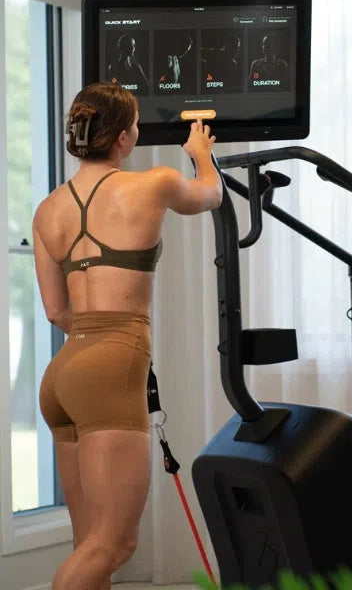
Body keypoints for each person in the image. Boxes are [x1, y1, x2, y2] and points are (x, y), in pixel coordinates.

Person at [32, 81, 222, 590]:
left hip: (64, 373)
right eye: (135, 124)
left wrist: (96, 343)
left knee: (88, 543)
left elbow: (55, 310)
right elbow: (210, 193)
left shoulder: (48, 209)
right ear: (121, 138)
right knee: (115, 544)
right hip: (111, 366)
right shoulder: (153, 183)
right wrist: (201, 153)